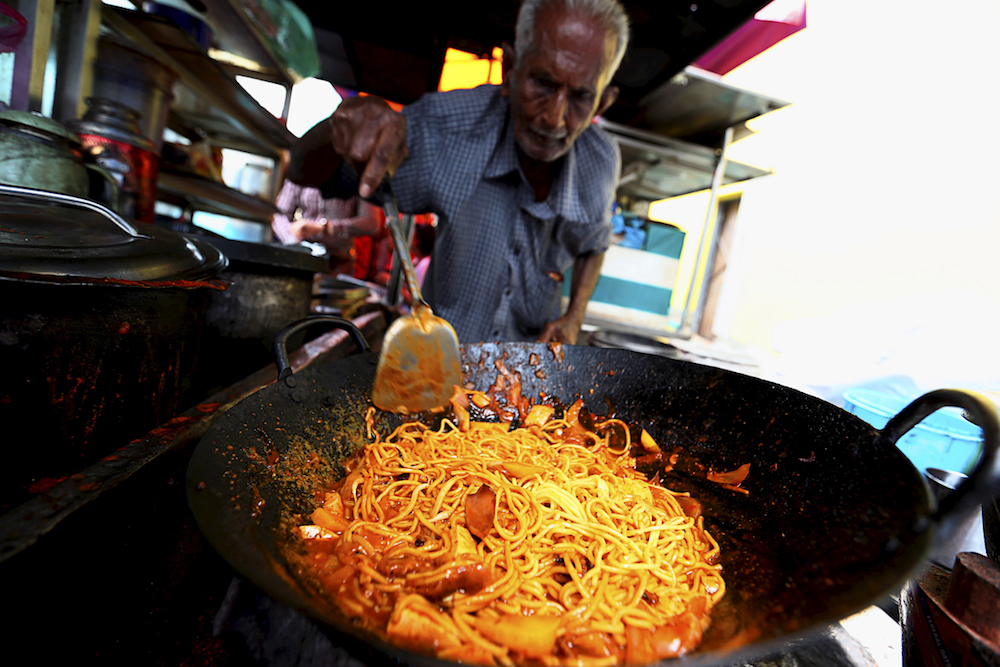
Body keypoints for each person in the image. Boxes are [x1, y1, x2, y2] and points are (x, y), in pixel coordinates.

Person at [286, 0, 629, 344]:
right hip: (439, 362)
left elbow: (593, 244)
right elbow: (303, 171)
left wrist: (575, 315)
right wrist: (339, 125)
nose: (554, 118)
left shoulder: (601, 161)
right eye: (542, 82)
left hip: (532, 374)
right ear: (510, 70)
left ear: (601, 103)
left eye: (581, 96)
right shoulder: (450, 126)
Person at [271, 178, 384, 278]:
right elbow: (279, 214)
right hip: (301, 258)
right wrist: (292, 239)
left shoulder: (354, 173)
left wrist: (325, 228)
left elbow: (373, 223)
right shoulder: (303, 168)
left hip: (339, 262)